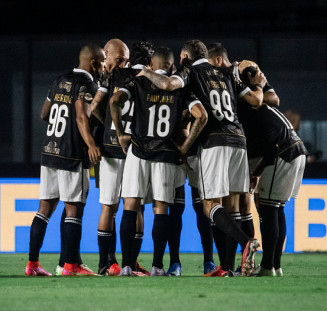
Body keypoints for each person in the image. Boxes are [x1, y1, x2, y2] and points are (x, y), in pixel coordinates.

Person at [138, 39, 266, 276]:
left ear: (185, 57)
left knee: (210, 207)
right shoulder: (225, 74)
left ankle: (247, 242)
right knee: (231, 207)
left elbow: (167, 84)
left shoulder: (191, 72)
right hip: (239, 139)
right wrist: (260, 82)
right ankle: (227, 267)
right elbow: (257, 101)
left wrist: (145, 71)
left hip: (214, 143)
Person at [110, 46, 208, 276]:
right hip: (165, 154)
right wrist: (184, 147)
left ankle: (126, 266)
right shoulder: (180, 86)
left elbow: (115, 101)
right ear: (171, 66)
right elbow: (201, 116)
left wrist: (121, 134)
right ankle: (157, 266)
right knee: (160, 210)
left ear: (151, 65)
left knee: (131, 206)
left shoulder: (139, 80)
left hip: (138, 150)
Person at [25, 44, 105, 276]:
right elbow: (82, 116)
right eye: (101, 63)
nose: (102, 68)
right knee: (73, 210)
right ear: (93, 63)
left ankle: (32, 265)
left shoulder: (58, 81)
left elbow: (44, 114)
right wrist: (91, 143)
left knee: (44, 210)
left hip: (50, 151)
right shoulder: (88, 85)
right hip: (71, 154)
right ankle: (70, 266)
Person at [206, 42, 280, 274]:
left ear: (218, 60)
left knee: (231, 204)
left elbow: (272, 99)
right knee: (235, 204)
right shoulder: (226, 77)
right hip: (241, 140)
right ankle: (234, 265)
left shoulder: (244, 69)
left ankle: (242, 255)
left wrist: (252, 91)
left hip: (234, 141)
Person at [238, 65, 308, 276]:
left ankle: (268, 266)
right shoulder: (263, 108)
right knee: (276, 209)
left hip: (282, 153)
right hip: (296, 150)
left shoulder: (245, 109)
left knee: (269, 209)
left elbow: (269, 147)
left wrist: (256, 172)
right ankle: (275, 266)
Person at [92, 41, 154, 276]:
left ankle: (105, 263)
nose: (122, 64)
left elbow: (96, 104)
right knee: (135, 207)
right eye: (119, 59)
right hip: (134, 149)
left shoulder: (113, 76)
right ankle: (131, 261)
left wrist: (109, 124)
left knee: (108, 207)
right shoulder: (148, 78)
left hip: (109, 147)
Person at [167, 110, 218, 276]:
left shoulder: (196, 94)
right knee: (176, 209)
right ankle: (174, 262)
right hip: (174, 154)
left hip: (197, 153)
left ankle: (209, 261)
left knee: (202, 208)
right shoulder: (174, 90)